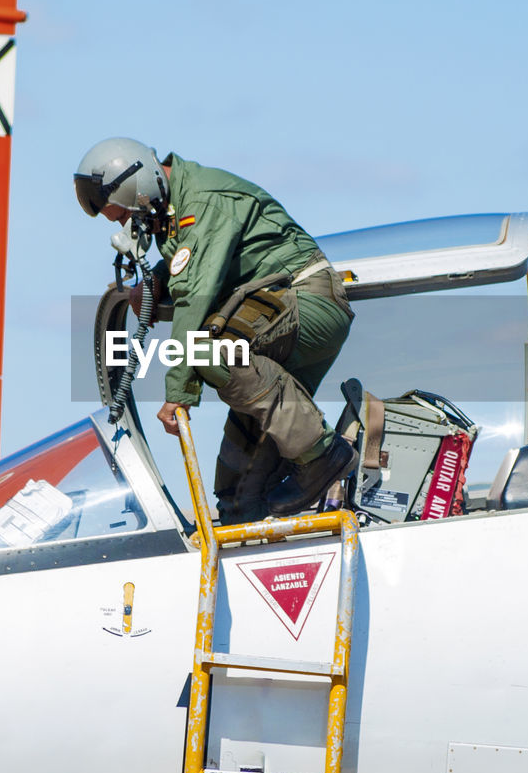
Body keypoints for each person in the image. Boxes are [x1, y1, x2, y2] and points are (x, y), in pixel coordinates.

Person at [74, 137, 356, 521]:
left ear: (138, 191)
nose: (128, 226)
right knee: (239, 493)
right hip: (270, 319)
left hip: (306, 301)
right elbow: (196, 265)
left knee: (208, 350)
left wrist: (179, 392)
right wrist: (157, 279)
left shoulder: (204, 202)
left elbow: (196, 294)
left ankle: (323, 455)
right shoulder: (177, 209)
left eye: (124, 216)